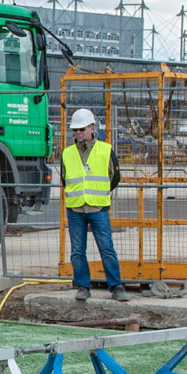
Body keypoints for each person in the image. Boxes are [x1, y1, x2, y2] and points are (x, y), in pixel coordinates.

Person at [61, 108, 129, 302]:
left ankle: (116, 286)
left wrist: (98, 192)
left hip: (98, 207)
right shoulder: (67, 153)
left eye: (81, 129)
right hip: (75, 208)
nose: (78, 133)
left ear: (91, 127)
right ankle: (83, 286)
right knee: (77, 250)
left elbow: (114, 177)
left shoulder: (105, 150)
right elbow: (65, 178)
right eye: (75, 130)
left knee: (106, 247)